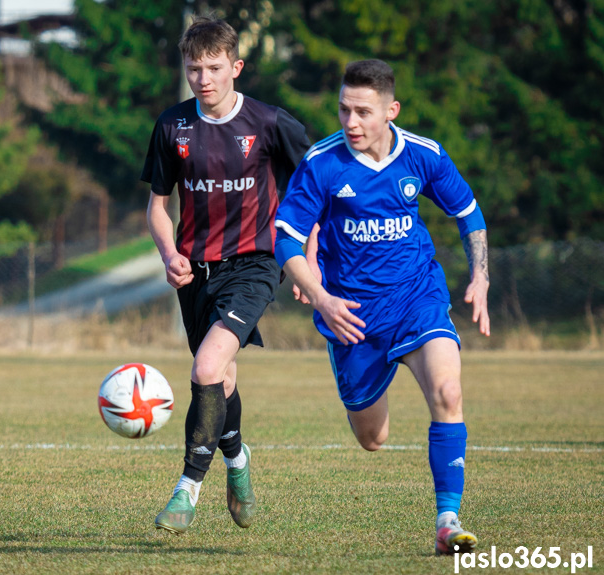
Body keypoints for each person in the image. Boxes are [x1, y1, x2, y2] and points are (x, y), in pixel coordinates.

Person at [274, 59, 490, 555]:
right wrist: (323, 297)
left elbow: (468, 213)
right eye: (344, 110)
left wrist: (480, 275)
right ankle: (368, 390)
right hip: (351, 316)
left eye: (364, 113)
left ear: (391, 111)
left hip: (418, 297)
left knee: (448, 390)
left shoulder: (424, 156)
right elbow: (284, 238)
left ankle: (447, 520)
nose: (351, 123)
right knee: (373, 438)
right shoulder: (322, 162)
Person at [141, 15, 311, 534]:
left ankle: (186, 491)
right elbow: (156, 205)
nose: (203, 78)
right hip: (195, 274)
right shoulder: (173, 126)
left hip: (254, 266)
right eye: (194, 68)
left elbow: (311, 194)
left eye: (214, 68)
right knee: (221, 379)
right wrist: (169, 253)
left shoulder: (269, 123)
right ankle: (237, 462)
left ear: (236, 67)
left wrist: (309, 266)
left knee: (205, 368)